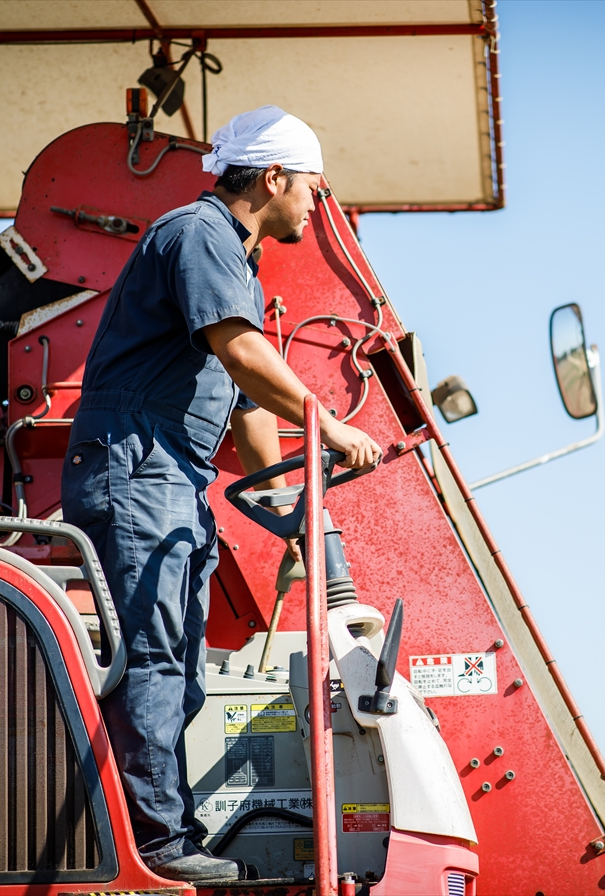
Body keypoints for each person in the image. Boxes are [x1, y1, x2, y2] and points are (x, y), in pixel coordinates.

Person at [60, 105, 381, 884]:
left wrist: (287, 514)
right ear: (273, 178)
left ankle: (166, 831)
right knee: (154, 656)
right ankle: (156, 845)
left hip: (172, 474)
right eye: (314, 187)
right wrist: (330, 424)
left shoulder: (233, 257)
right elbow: (242, 355)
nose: (317, 204)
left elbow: (243, 407)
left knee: (181, 668)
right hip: (139, 465)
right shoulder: (200, 233)